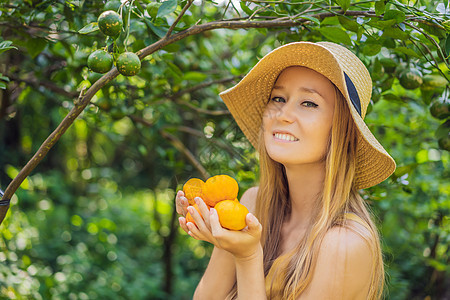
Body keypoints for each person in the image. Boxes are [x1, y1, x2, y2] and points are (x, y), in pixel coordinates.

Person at [175, 41, 396, 299]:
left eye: (309, 103)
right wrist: (224, 237)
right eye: (278, 98)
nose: (283, 114)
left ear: (343, 132)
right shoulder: (254, 204)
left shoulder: (344, 244)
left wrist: (248, 256)